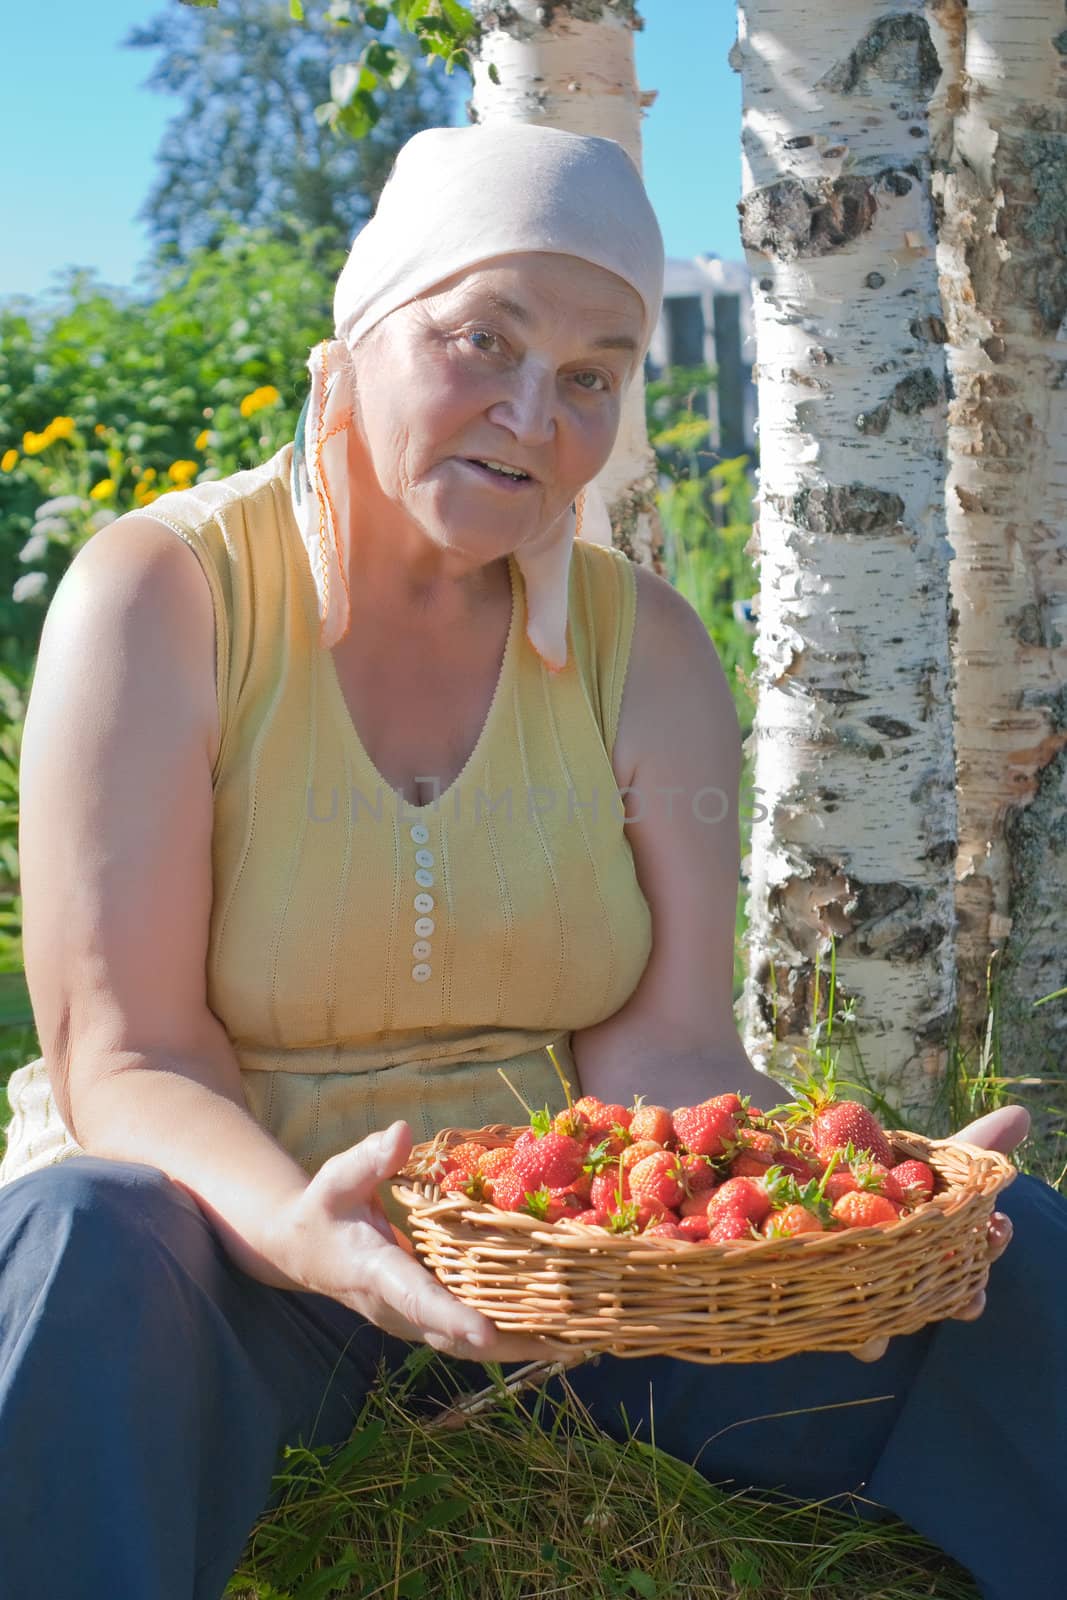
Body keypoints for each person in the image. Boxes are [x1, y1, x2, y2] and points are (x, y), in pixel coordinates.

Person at [0, 123, 1058, 1600]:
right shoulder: (164, 596)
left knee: (1005, 1242)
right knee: (75, 1236)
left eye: (590, 374)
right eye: (478, 339)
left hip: (565, 1299)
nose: (529, 411)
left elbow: (670, 1052)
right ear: (363, 330)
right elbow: (129, 1056)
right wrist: (307, 1236)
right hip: (235, 1271)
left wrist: (859, 1191)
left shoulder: (647, 647)